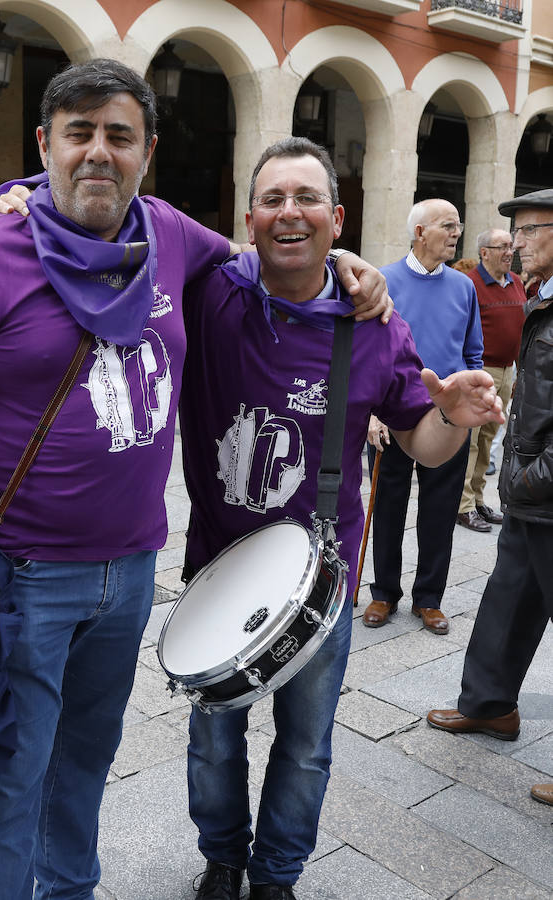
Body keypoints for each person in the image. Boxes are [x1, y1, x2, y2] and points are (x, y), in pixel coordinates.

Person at [0, 60, 389, 900]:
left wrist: (351, 265)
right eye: (77, 133)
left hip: (126, 579)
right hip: (16, 580)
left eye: (118, 136)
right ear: (44, 144)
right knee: (8, 783)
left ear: (146, 151)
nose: (97, 153)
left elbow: (267, 252)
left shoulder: (169, 236)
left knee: (83, 770)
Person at [175, 140, 501, 900]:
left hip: (322, 578)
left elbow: (422, 443)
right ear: (248, 216)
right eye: (272, 199)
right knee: (213, 739)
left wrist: (451, 418)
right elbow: (120, 214)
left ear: (336, 216)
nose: (289, 212)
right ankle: (222, 859)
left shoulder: (373, 325)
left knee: (306, 745)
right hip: (217, 565)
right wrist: (13, 198)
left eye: (307, 198)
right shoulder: (208, 294)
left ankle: (276, 877)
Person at [426, 187, 553, 809]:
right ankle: (489, 706)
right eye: (517, 232)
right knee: (506, 602)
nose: (517, 243)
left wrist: (532, 478)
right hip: (532, 493)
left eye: (530, 230)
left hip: (545, 490)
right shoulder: (541, 296)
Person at [363, 199, 484, 635]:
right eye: (447, 226)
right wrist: (372, 413)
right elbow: (367, 355)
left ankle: (429, 598)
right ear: (420, 232)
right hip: (394, 412)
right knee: (389, 506)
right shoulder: (384, 281)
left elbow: (473, 351)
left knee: (440, 508)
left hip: (449, 417)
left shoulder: (464, 287)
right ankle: (383, 593)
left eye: (458, 226)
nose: (456, 233)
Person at [456, 228, 525, 532]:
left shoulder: (517, 282)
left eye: (511, 246)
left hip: (507, 370)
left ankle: (479, 499)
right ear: (484, 252)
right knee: (470, 440)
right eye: (502, 247)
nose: (510, 252)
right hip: (479, 369)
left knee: (488, 441)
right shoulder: (469, 284)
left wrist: (518, 370)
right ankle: (463, 505)